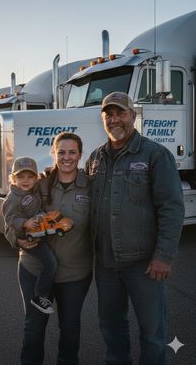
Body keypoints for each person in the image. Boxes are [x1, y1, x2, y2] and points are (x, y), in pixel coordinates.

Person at [85, 92, 185, 365]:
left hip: (143, 264)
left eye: (121, 113)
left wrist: (164, 256)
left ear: (134, 115)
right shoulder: (95, 158)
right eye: (109, 115)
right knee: (111, 328)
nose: (115, 120)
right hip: (105, 264)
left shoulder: (155, 154)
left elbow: (172, 208)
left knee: (152, 333)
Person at [5, 132, 92, 365]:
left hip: (74, 274)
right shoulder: (36, 183)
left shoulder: (90, 187)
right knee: (33, 328)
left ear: (80, 155)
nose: (66, 157)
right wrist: (17, 239)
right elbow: (10, 218)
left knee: (70, 329)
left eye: (72, 152)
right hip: (33, 269)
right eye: (61, 152)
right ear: (53, 153)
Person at [2, 156, 57, 314]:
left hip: (39, 231)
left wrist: (51, 173)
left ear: (36, 178)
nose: (25, 180)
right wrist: (24, 223)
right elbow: (9, 218)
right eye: (20, 176)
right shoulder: (12, 198)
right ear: (13, 178)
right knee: (50, 263)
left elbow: (47, 178)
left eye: (30, 176)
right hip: (28, 238)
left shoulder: (34, 189)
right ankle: (39, 296)